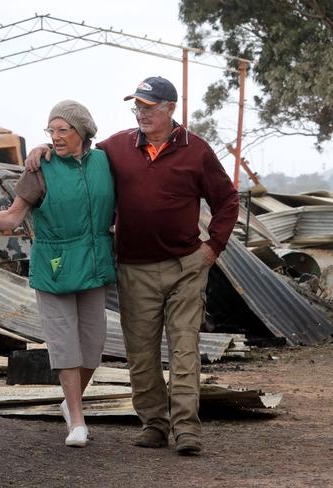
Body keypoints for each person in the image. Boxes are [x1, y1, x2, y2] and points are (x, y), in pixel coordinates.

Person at [25, 77, 239, 455]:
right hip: (134, 268)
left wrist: (212, 247)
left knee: (185, 348)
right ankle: (154, 424)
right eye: (137, 107)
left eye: (149, 107)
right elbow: (78, 148)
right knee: (141, 353)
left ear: (170, 108)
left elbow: (227, 200)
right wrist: (43, 147)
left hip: (185, 266)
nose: (141, 114)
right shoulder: (117, 148)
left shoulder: (197, 151)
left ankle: (186, 429)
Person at [0, 100, 115, 448]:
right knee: (65, 345)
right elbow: (12, 217)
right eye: (50, 131)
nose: (55, 137)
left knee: (93, 346)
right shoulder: (40, 168)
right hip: (54, 265)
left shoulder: (105, 162)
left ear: (82, 131)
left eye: (62, 130)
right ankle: (77, 421)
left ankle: (69, 404)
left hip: (94, 263)